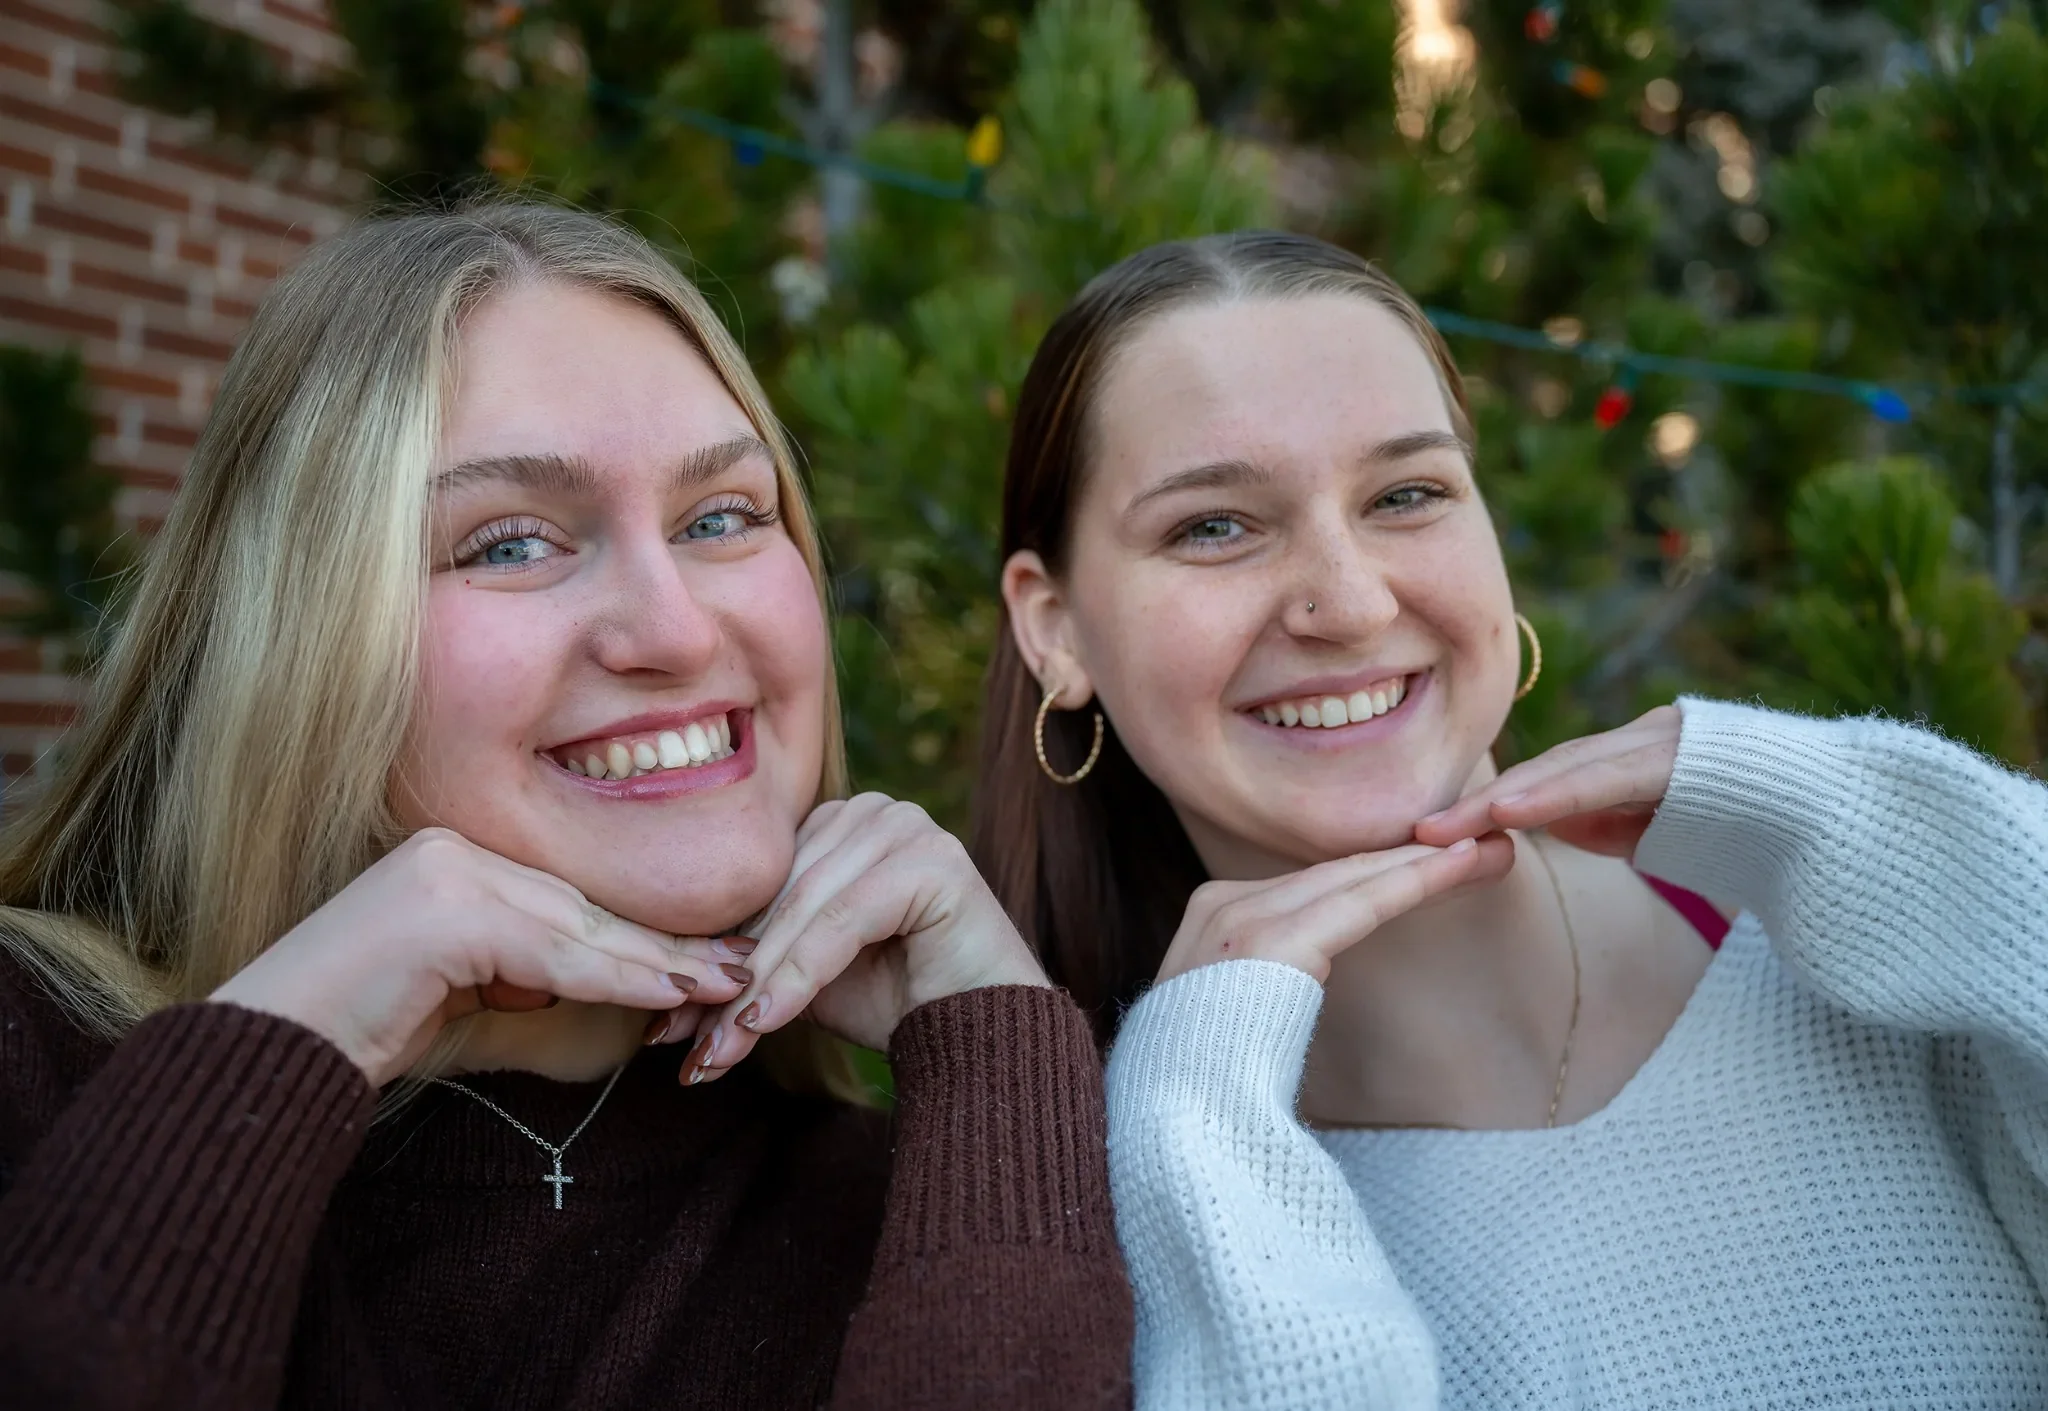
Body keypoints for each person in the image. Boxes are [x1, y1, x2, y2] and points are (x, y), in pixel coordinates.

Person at [0, 201, 1131, 1411]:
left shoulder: (921, 1214)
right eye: (511, 543)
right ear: (299, 632)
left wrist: (989, 1040)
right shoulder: (34, 1071)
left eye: (722, 517)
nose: (675, 627)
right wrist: (291, 1044)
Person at [974, 229, 2048, 1408]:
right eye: (1213, 526)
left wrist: (1922, 849)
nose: (1350, 599)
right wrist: (1194, 1118)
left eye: (1406, 494)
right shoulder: (1083, 1214)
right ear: (1054, 629)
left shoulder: (1869, 956)